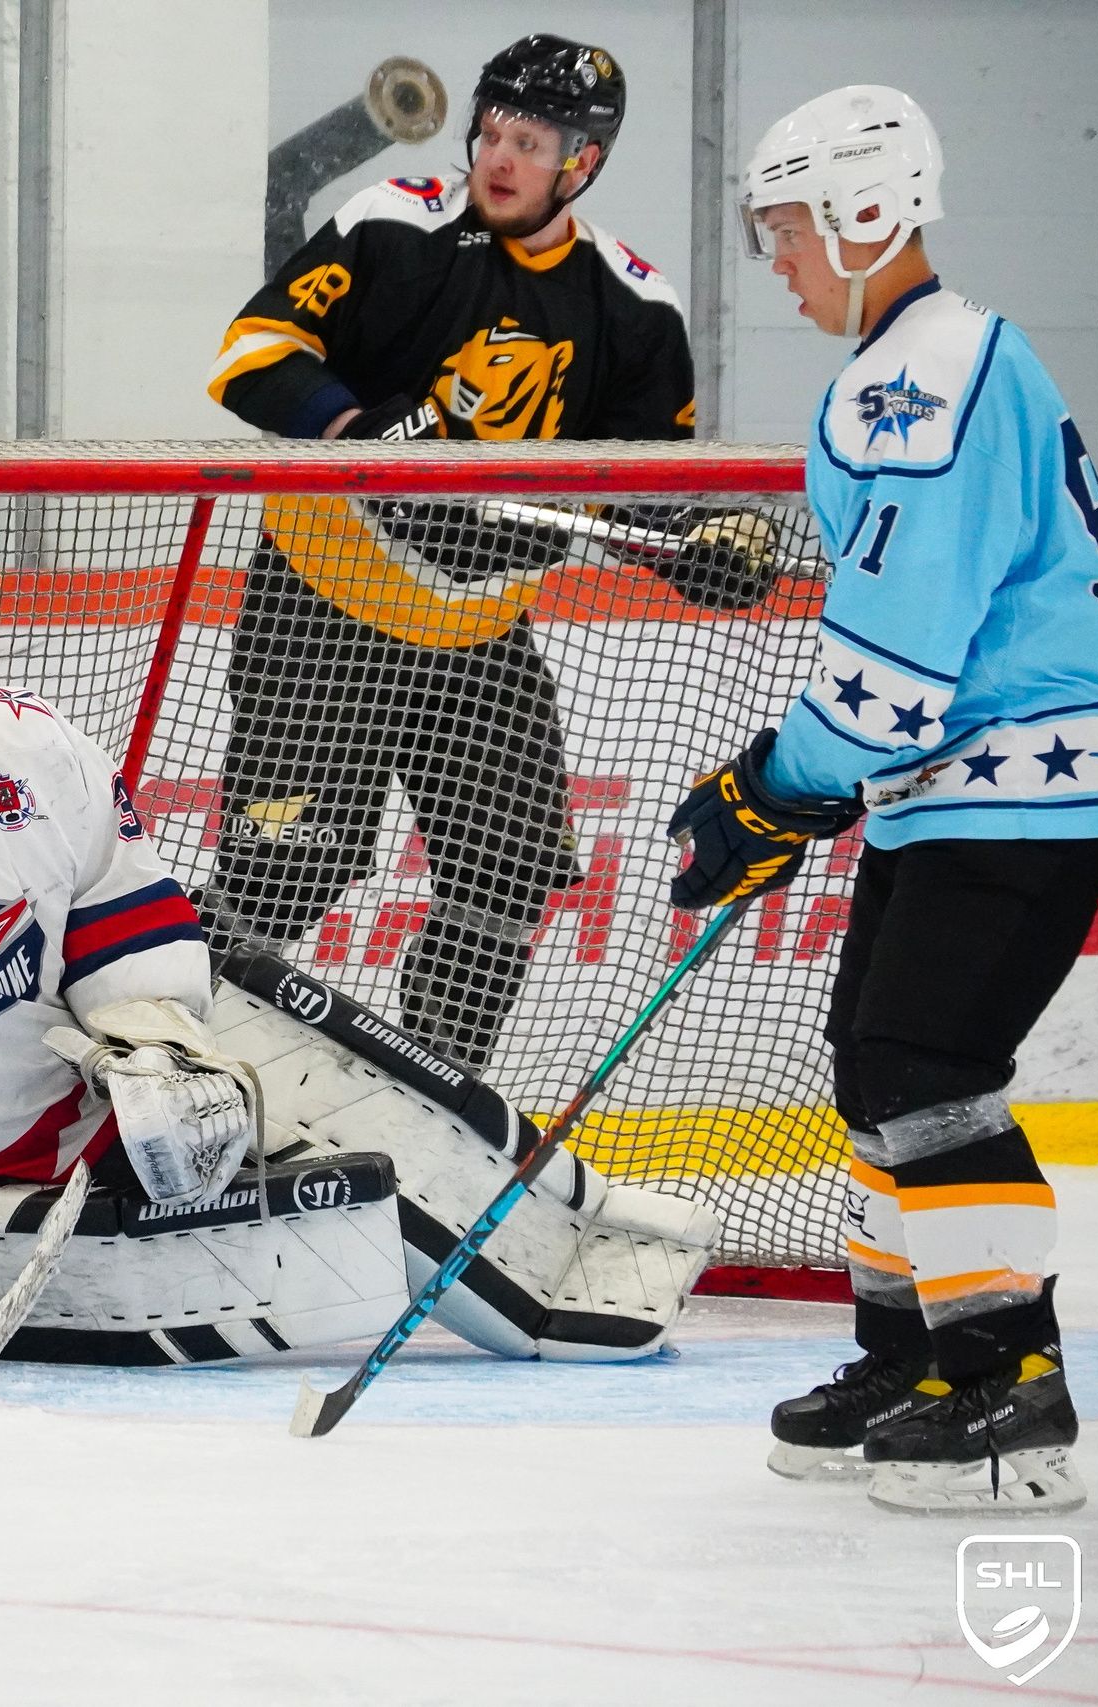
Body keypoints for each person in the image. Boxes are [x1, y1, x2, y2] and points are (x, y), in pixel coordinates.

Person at [0, 571, 714, 1376]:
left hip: (108, 1084)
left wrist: (154, 1046)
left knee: (363, 1094)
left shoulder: (29, 750)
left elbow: (119, 909)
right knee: (356, 1207)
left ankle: (603, 1241)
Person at [676, 87, 1098, 1515]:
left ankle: (1006, 1381)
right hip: (962, 782)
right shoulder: (919, 360)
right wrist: (800, 780)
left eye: (789, 228)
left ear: (868, 213)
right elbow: (899, 651)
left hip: (1025, 779)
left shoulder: (919, 375)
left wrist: (769, 784)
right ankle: (911, 1351)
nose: (779, 258)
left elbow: (890, 683)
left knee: (928, 1063)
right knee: (876, 1062)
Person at [199, 34, 775, 1072]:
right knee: (283, 878)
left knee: (507, 874)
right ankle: (182, 1082)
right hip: (317, 613)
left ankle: (432, 1103)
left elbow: (650, 494)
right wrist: (356, 432)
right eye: (492, 131)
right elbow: (251, 356)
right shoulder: (394, 228)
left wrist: (705, 540)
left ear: (582, 163)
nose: (497, 159)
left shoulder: (633, 308)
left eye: (531, 141)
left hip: (477, 636)